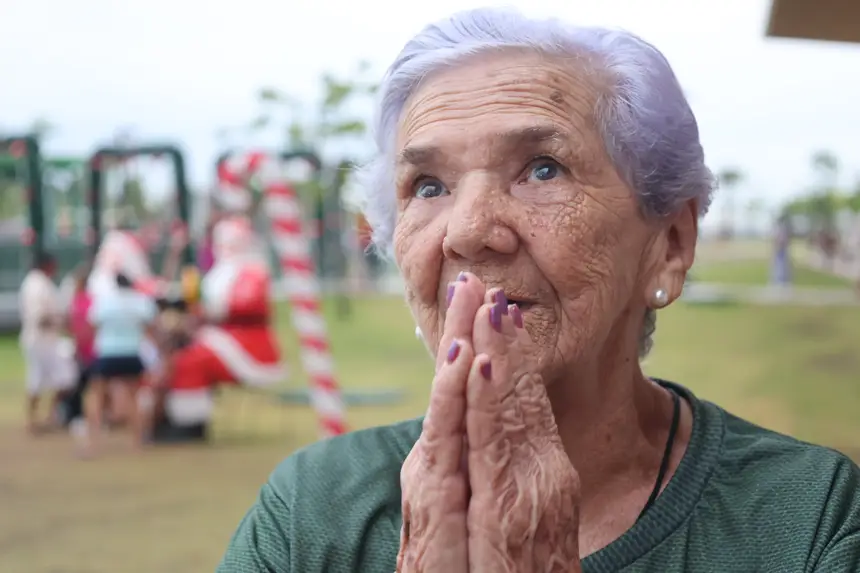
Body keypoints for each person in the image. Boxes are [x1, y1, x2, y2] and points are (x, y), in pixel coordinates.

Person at [218, 9, 860, 573]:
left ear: (668, 244)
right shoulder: (311, 514)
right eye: (429, 186)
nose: (468, 233)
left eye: (542, 169)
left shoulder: (811, 520)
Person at [141, 215, 284, 438]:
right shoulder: (219, 273)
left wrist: (210, 311)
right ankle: (168, 417)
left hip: (245, 345)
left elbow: (247, 304)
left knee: (189, 362)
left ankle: (190, 425)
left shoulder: (254, 271)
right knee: (174, 357)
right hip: (220, 338)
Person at [84, 272, 157, 456]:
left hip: (107, 352)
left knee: (97, 396)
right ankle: (138, 440)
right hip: (132, 352)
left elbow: (93, 324)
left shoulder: (105, 301)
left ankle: (93, 441)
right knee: (133, 397)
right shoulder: (140, 301)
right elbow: (149, 326)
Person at [18, 251, 75, 433]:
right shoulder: (36, 285)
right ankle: (31, 419)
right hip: (39, 339)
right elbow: (39, 318)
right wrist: (60, 322)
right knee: (36, 379)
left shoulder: (42, 283)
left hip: (49, 339)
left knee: (65, 378)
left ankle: (48, 416)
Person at [63, 263, 96, 427]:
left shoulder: (88, 301)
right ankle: (75, 414)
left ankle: (83, 415)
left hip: (89, 348)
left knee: (87, 383)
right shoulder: (77, 301)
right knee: (79, 382)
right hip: (82, 347)